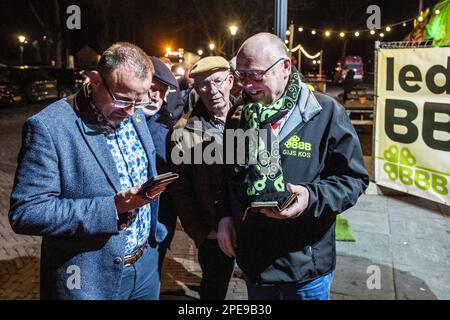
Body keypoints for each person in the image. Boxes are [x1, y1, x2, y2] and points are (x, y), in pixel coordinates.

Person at [9, 43, 168, 300]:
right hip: (90, 281)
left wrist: (152, 241)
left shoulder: (134, 112)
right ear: (95, 81)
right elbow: (26, 212)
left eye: (139, 101)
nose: (130, 112)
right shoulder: (49, 127)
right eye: (122, 99)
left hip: (145, 266)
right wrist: (111, 208)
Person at [217, 33, 369, 300]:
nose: (248, 86)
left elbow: (354, 180)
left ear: (285, 67)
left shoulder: (325, 112)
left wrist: (310, 197)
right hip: (255, 263)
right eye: (241, 76)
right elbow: (229, 174)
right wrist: (225, 217)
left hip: (304, 269)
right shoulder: (239, 115)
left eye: (255, 75)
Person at [170, 56, 236, 300]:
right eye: (204, 85)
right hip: (213, 230)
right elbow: (181, 190)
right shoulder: (183, 131)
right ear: (195, 89)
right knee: (214, 289)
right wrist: (201, 231)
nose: (213, 91)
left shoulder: (252, 116)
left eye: (218, 81)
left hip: (250, 226)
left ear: (230, 81)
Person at [143, 56, 179, 277]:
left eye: (162, 91)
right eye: (151, 88)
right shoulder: (119, 121)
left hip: (157, 228)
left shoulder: (167, 128)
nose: (156, 96)